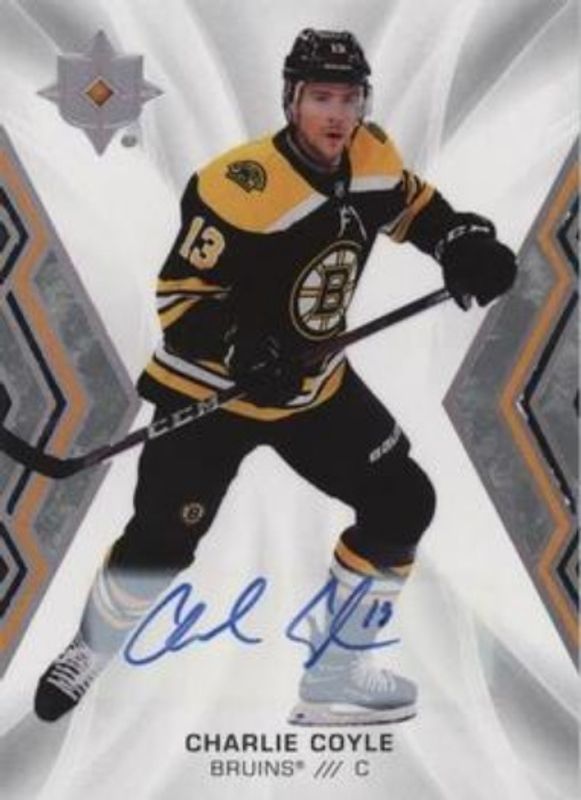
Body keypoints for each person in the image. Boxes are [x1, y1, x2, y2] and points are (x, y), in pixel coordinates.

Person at [34, 28, 516, 725]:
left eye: (348, 98)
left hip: (311, 387)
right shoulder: (238, 185)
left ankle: (336, 669)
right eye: (320, 97)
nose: (336, 115)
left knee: (402, 502)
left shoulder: (371, 156)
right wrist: (243, 351)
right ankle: (89, 647)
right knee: (161, 544)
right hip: (209, 391)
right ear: (291, 100)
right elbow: (181, 298)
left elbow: (413, 206)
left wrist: (460, 241)